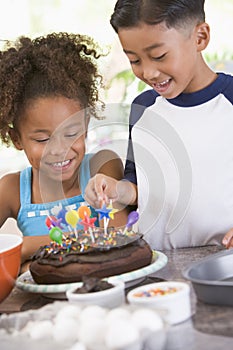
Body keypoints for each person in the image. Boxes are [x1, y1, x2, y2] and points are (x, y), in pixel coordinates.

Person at [85, 0, 233, 249]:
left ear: (200, 37)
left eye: (158, 56)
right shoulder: (143, 108)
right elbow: (141, 186)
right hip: (158, 269)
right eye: (135, 60)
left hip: (222, 267)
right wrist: (118, 190)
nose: (149, 72)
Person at [0, 32, 128, 268]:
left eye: (71, 134)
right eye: (42, 139)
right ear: (16, 139)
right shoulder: (12, 190)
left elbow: (115, 236)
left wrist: (29, 247)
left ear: (86, 126)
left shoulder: (103, 167)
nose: (59, 149)